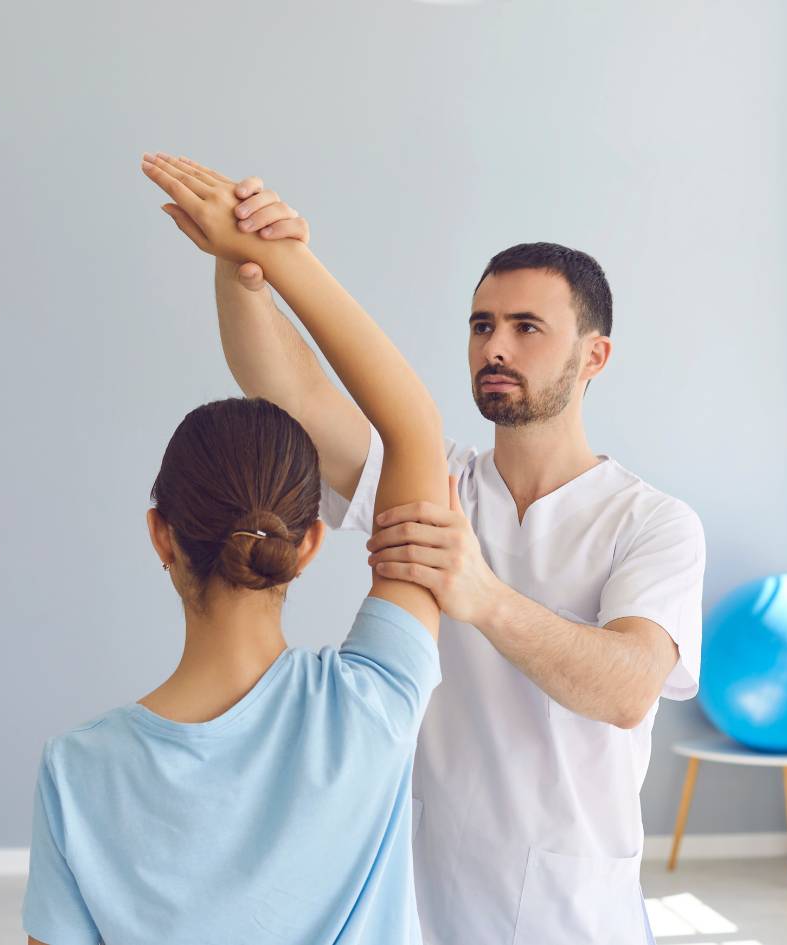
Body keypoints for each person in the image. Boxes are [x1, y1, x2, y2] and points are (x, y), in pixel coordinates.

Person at [209, 177, 707, 945]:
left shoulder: (652, 523)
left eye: (525, 326)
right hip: (419, 892)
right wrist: (242, 267)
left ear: (593, 355)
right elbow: (292, 393)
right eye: (481, 324)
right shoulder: (433, 478)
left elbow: (629, 688)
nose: (494, 346)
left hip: (570, 910)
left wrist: (481, 594)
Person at [20, 152, 451, 945]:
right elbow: (414, 429)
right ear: (309, 542)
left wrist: (244, 267)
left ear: (161, 535)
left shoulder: (76, 771)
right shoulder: (373, 705)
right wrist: (277, 259)